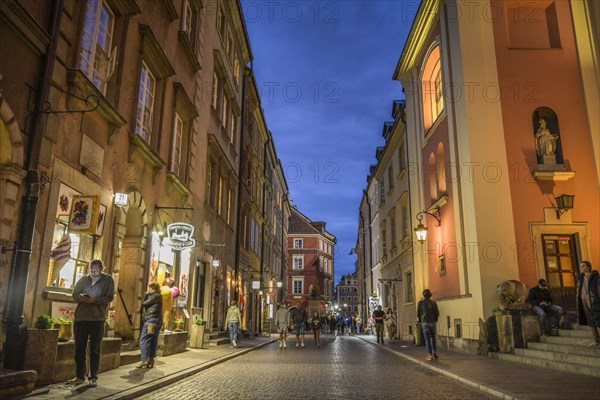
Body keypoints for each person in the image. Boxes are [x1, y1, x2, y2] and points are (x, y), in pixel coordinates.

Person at [67, 259, 114, 387]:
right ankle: (79, 376)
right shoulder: (83, 279)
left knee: (95, 349)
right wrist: (80, 297)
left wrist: (95, 300)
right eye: (91, 269)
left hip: (97, 319)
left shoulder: (107, 280)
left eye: (95, 270)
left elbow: (109, 297)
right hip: (81, 318)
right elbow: (74, 294)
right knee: (79, 349)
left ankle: (93, 377)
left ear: (101, 268)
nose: (93, 272)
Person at [137, 282, 162, 368]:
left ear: (153, 289)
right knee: (152, 340)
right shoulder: (158, 296)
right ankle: (151, 359)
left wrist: (144, 295)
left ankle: (144, 360)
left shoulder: (155, 296)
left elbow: (144, 303)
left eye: (149, 288)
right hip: (157, 320)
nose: (147, 290)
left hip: (151, 320)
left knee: (144, 339)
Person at [577, 261, 600, 347]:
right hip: (584, 301)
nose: (581, 268)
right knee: (591, 322)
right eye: (580, 266)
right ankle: (597, 341)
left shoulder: (595, 277)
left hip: (594, 301)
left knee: (598, 320)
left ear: (588, 267)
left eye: (583, 266)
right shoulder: (581, 278)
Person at [417, 289, 439, 361]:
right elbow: (437, 313)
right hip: (432, 322)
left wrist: (420, 321)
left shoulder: (420, 303)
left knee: (427, 339)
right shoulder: (434, 303)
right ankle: (434, 352)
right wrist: (435, 320)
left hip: (424, 322)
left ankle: (429, 355)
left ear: (423, 295)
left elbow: (418, 313)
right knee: (433, 337)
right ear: (430, 295)